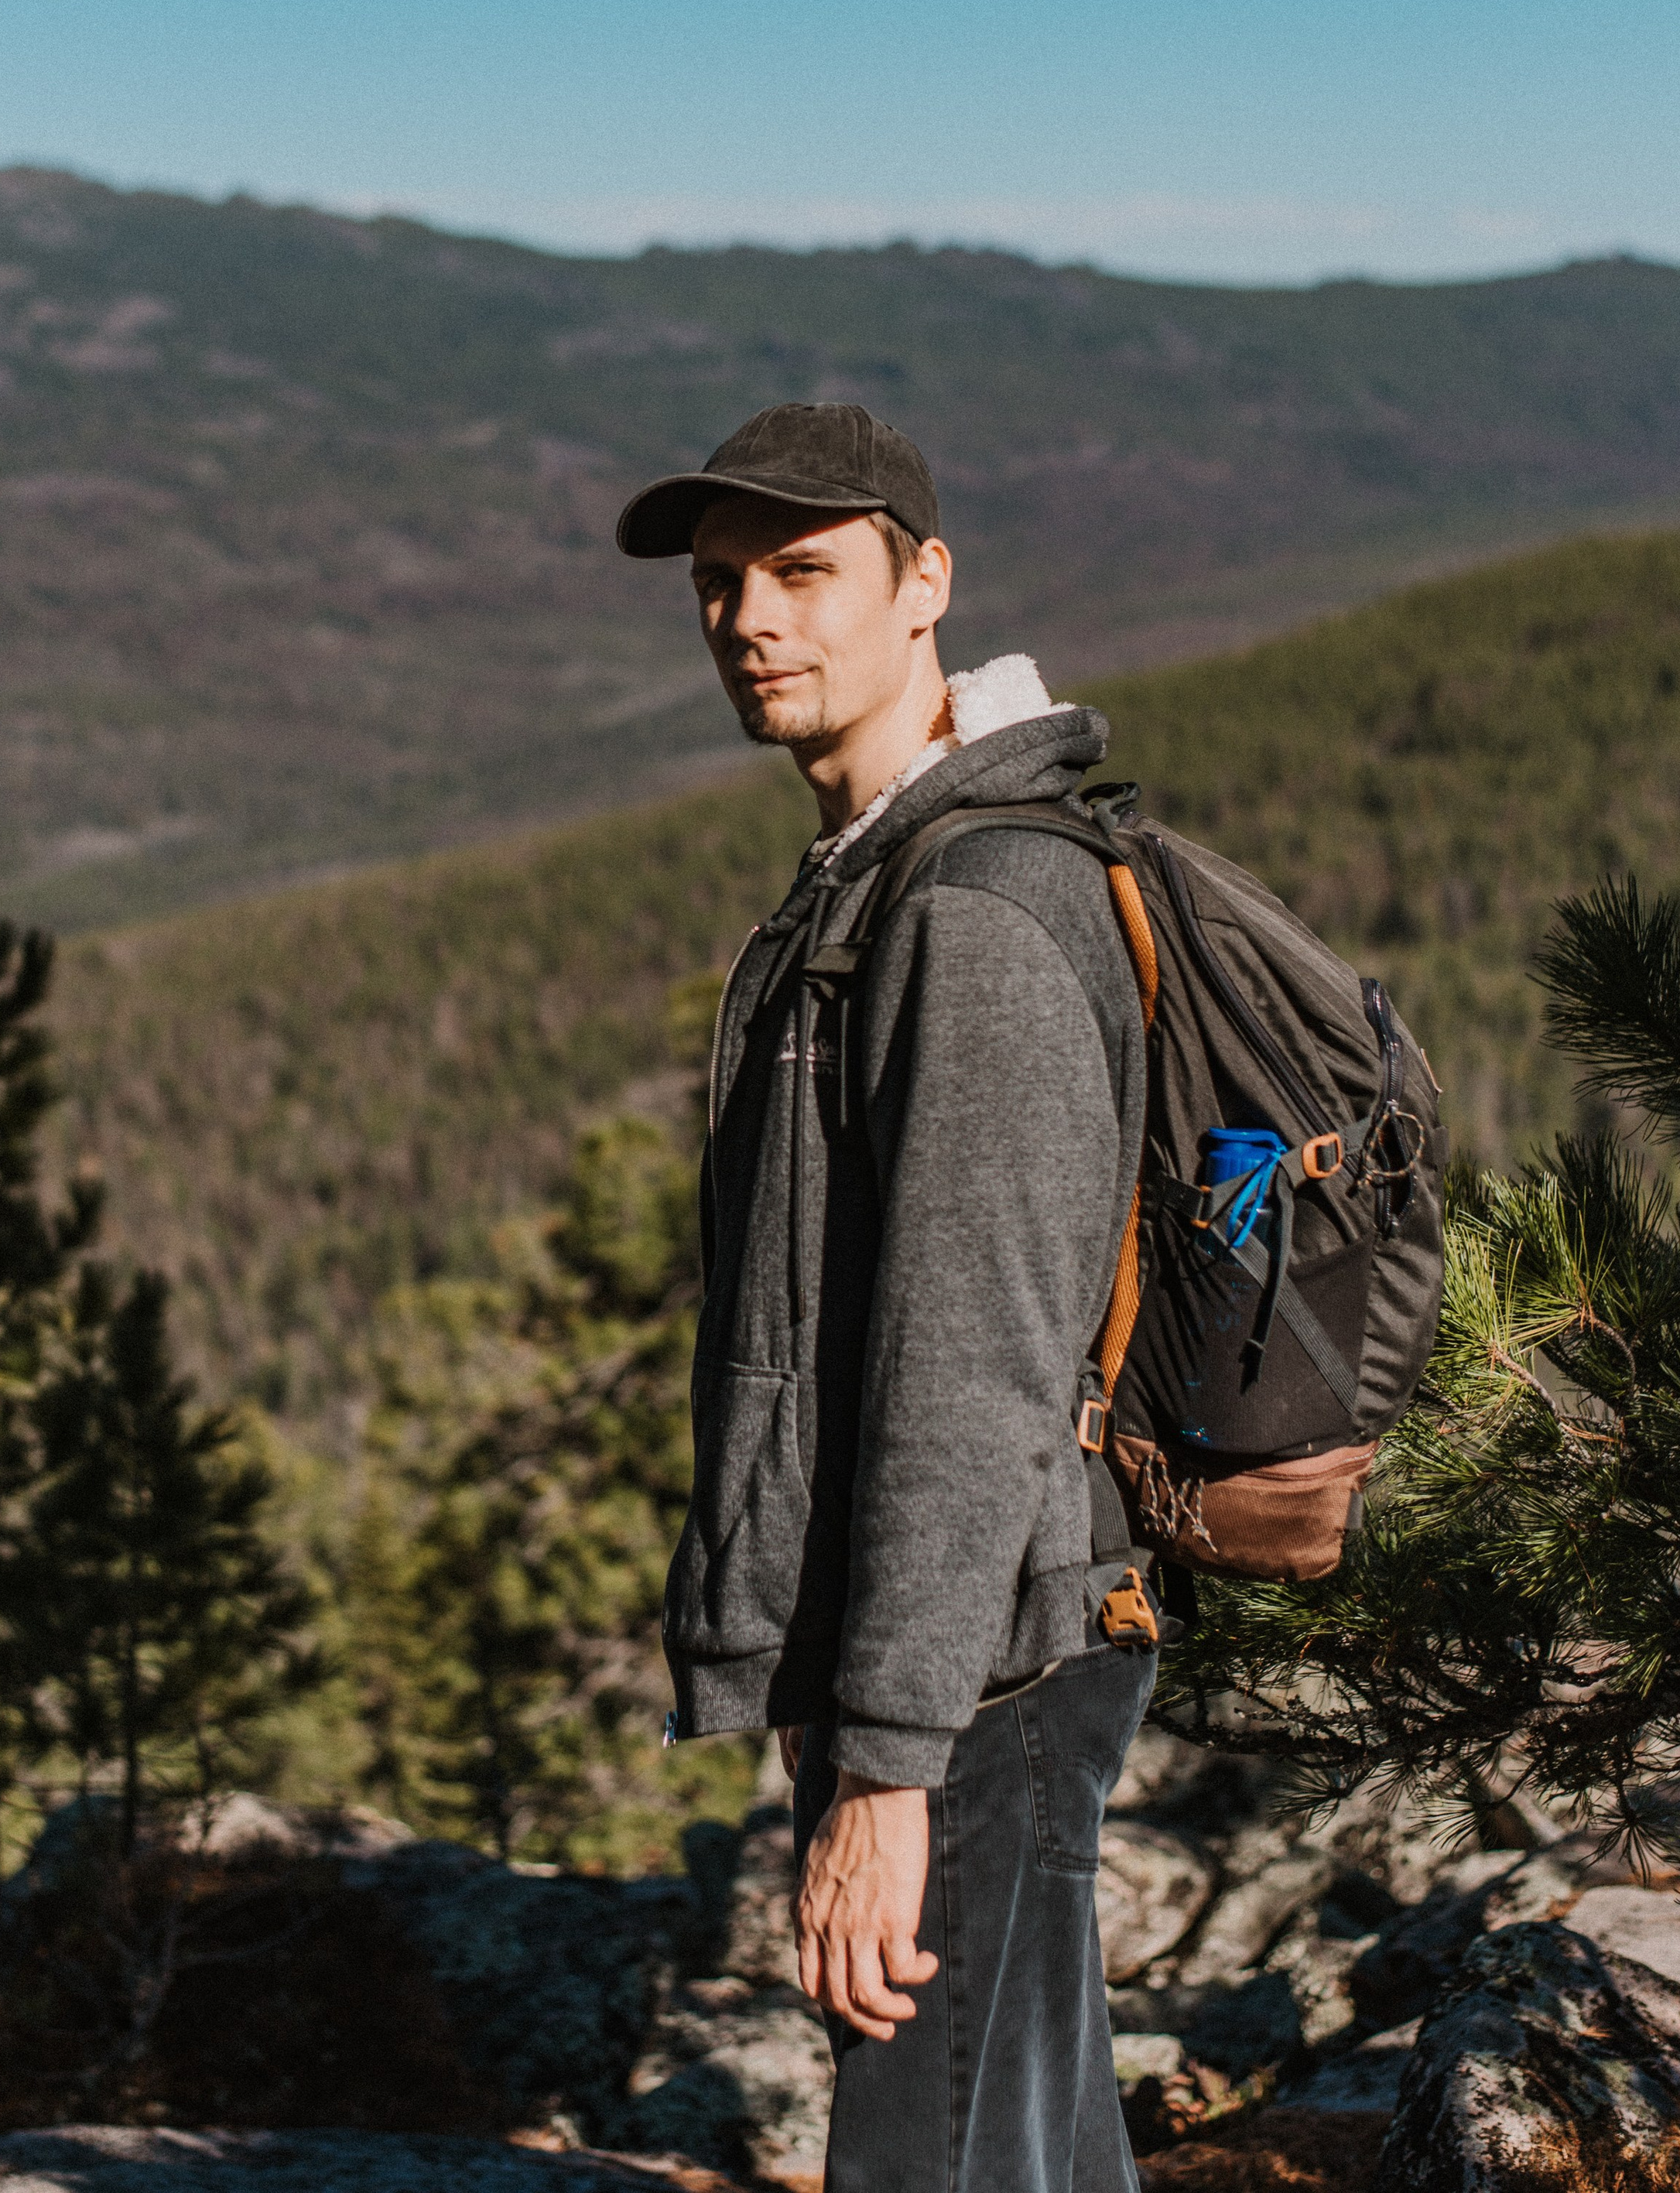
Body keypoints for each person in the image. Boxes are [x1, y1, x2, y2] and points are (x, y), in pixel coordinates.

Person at [615, 402, 1153, 2193]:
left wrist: (883, 1777)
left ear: (922, 585)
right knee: (1033, 2151)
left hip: (974, 1666)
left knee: (928, 2162)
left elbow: (971, 1370)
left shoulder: (973, 907)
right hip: (955, 1651)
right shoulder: (871, 878)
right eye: (716, 583)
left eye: (799, 572)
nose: (748, 620)